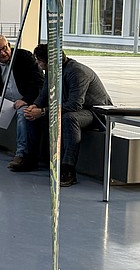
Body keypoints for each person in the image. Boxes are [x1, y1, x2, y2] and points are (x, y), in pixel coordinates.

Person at [21, 44, 112, 186]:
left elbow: (75, 105)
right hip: (77, 109)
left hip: (96, 114)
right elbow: (44, 93)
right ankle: (32, 158)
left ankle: (68, 169)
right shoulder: (52, 71)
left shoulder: (77, 72)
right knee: (30, 115)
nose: (38, 64)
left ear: (49, 61)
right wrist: (35, 106)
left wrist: (43, 111)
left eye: (39, 60)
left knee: (69, 118)